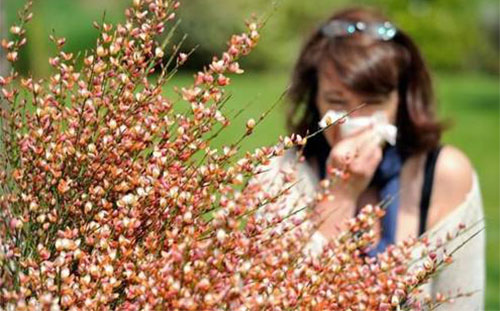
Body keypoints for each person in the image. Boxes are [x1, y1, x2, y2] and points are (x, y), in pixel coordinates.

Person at [258, 6, 485, 310]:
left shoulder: (444, 175)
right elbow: (277, 300)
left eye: (373, 103)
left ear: (401, 101)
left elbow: (463, 301)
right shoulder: (281, 174)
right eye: (337, 102)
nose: (356, 120)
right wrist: (339, 193)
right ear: (314, 98)